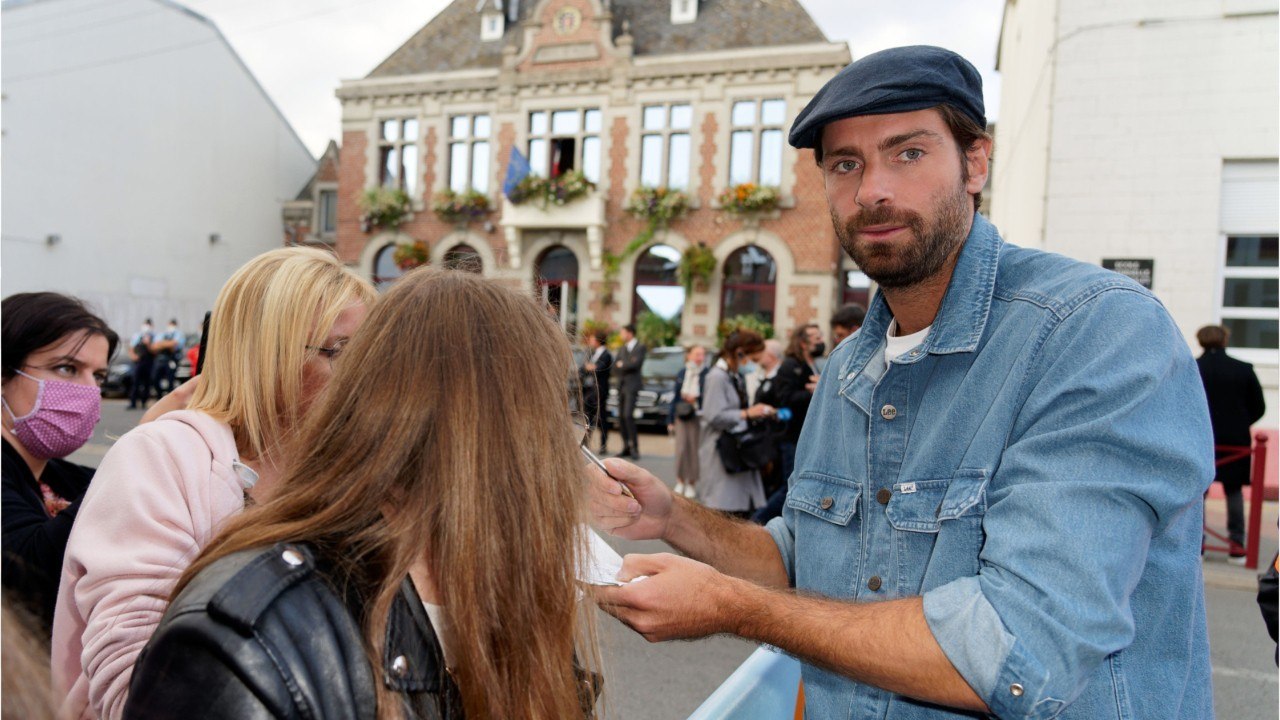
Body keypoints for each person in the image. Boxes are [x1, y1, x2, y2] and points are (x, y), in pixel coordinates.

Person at [592, 45, 1214, 718]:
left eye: (908, 154)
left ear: (976, 162)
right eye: (845, 164)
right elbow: (804, 561)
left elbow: (1017, 650)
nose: (871, 191)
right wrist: (671, 517)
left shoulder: (1095, 333)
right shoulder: (849, 368)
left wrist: (734, 608)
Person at [124, 269, 601, 719]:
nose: (567, 454)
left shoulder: (505, 591)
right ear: (490, 441)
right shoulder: (249, 634)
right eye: (555, 424)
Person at [51, 247, 375, 720]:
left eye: (369, 358)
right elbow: (134, 686)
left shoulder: (350, 470)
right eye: (340, 352)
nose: (363, 379)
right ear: (268, 356)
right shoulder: (162, 457)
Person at [2, 293, 117, 631]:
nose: (89, 391)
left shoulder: (62, 477)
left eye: (98, 376)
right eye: (67, 368)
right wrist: (137, 455)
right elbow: (26, 574)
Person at [1195, 324, 1266, 563]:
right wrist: (1239, 422)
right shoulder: (1243, 369)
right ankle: (1237, 545)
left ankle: (1198, 544)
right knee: (1233, 490)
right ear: (1224, 340)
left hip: (1200, 437)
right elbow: (1259, 407)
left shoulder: (1193, 367)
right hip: (1235, 440)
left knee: (1197, 493)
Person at [696, 329, 775, 519]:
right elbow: (713, 415)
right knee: (722, 514)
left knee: (738, 513)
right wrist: (747, 413)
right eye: (753, 360)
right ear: (740, 353)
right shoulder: (717, 377)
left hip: (736, 453)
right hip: (722, 454)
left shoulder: (733, 376)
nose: (753, 366)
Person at [669, 344, 707, 499]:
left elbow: (709, 395)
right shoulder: (682, 372)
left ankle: (691, 483)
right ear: (689, 355)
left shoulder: (706, 373)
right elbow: (675, 397)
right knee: (681, 449)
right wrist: (670, 419)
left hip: (698, 416)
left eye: (703, 354)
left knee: (694, 450)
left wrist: (697, 397)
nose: (700, 357)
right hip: (682, 415)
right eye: (697, 354)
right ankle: (680, 480)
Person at [613, 324, 646, 459]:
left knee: (628, 415)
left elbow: (635, 365)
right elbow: (615, 366)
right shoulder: (622, 348)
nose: (621, 335)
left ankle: (635, 448)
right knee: (621, 417)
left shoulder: (640, 347)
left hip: (632, 386)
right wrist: (625, 364)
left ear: (630, 333)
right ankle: (625, 446)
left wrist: (623, 364)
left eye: (623, 332)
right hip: (621, 386)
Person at [579, 328, 613, 454]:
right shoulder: (592, 353)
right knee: (588, 416)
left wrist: (590, 367)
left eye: (593, 339)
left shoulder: (606, 355)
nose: (591, 341)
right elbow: (583, 368)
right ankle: (586, 443)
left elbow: (599, 368)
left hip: (600, 390)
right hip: (589, 389)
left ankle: (603, 445)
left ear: (598, 340)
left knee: (602, 418)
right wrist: (588, 367)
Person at [149, 319, 184, 397]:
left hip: (171, 360)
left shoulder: (179, 334)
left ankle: (169, 397)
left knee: (170, 380)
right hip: (160, 360)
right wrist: (168, 344)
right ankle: (160, 395)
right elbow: (154, 346)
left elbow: (175, 345)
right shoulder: (162, 334)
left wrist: (161, 344)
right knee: (154, 378)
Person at [125, 319, 154, 410]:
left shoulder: (154, 336)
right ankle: (133, 402)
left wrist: (148, 343)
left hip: (149, 362)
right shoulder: (137, 336)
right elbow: (131, 347)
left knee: (147, 383)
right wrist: (133, 356)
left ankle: (144, 402)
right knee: (135, 382)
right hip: (138, 362)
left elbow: (155, 350)